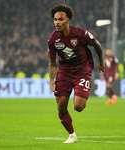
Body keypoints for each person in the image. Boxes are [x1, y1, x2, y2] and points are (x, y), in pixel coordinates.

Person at [48, 4, 105, 143]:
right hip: (64, 72)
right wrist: (51, 80)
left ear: (68, 20)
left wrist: (101, 62)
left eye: (60, 19)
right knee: (61, 107)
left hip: (82, 71)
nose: (57, 22)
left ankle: (80, 95)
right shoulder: (52, 39)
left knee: (78, 107)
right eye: (55, 19)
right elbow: (52, 61)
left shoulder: (80, 33)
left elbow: (97, 44)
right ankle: (72, 135)